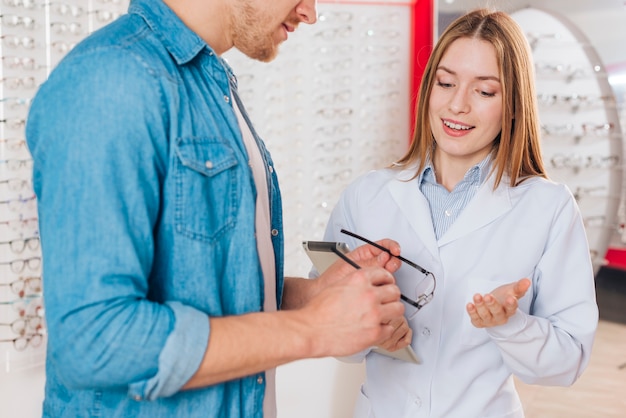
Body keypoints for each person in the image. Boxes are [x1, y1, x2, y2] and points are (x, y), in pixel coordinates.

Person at [25, 0, 412, 416]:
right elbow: (94, 339)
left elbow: (203, 287)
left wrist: (314, 296)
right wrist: (314, 328)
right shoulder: (111, 79)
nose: (310, 13)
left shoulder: (210, 84)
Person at [321, 8, 599, 418]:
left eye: (484, 92)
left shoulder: (549, 209)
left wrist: (509, 324)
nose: (457, 105)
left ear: (514, 106)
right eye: (445, 83)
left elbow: (569, 360)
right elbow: (327, 328)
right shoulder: (367, 197)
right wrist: (368, 327)